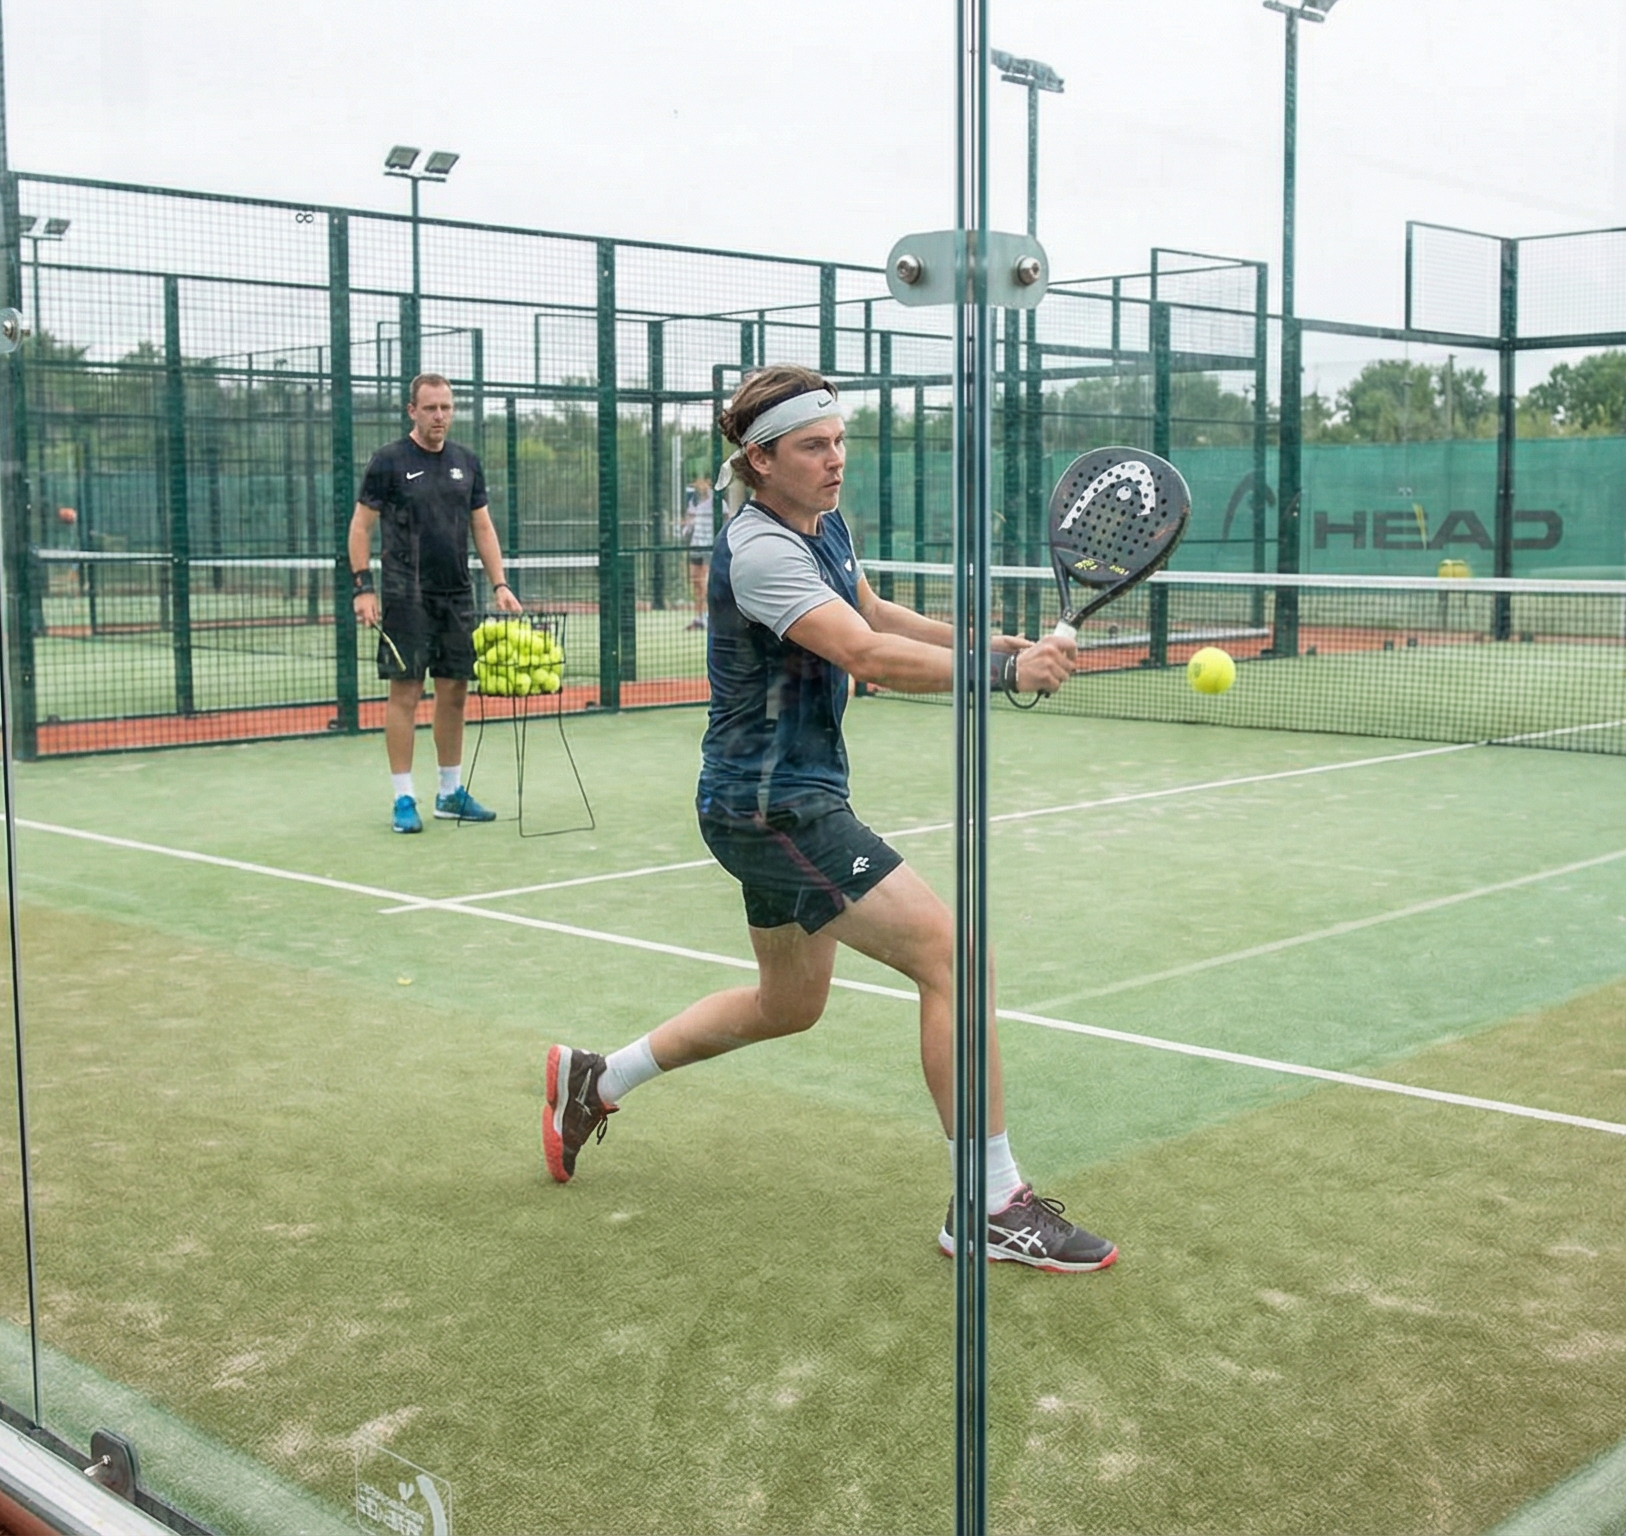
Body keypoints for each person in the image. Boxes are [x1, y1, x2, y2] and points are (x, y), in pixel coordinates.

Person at [540, 365, 1116, 1272]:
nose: (835, 459)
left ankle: (597, 1078)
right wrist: (1004, 676)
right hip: (774, 810)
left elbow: (875, 610)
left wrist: (1001, 643)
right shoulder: (761, 551)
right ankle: (992, 1204)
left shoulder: (822, 525)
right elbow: (860, 650)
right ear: (760, 462)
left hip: (777, 800)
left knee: (789, 1004)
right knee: (956, 958)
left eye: (840, 440)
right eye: (814, 446)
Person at [349, 374, 521, 832]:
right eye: (430, 408)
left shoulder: (466, 461)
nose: (439, 416)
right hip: (405, 596)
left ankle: (450, 792)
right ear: (412, 411)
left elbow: (481, 527)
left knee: (455, 693)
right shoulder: (388, 461)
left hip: (457, 595)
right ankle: (404, 798)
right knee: (405, 693)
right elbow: (361, 526)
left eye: (446, 407)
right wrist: (362, 586)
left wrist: (500, 583)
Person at [680, 472, 716, 628]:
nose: (697, 484)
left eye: (700, 481)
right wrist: (686, 527)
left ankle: (710, 617)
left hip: (709, 546)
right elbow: (689, 519)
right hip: (695, 545)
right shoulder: (693, 500)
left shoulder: (716, 501)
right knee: (695, 581)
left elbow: (726, 519)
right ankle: (699, 617)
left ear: (708, 482)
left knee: (705, 583)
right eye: (695, 481)